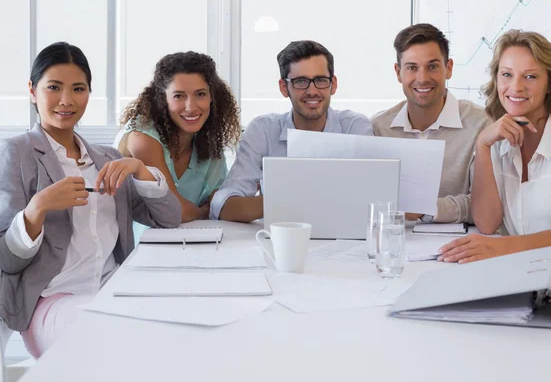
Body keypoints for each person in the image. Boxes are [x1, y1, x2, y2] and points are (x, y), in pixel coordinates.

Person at [0, 42, 181, 357]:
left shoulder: (107, 158)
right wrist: (37, 208)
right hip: (53, 302)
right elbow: (8, 260)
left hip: (114, 292)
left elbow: (168, 219)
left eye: (78, 88)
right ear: (32, 90)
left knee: (174, 331)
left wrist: (140, 169)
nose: (67, 100)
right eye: (54, 87)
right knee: (114, 342)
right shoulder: (17, 153)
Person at [438, 30, 551, 270]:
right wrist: (483, 145)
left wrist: (501, 248)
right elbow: (487, 223)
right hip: (529, 276)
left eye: (531, 76)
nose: (516, 87)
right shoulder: (498, 143)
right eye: (507, 74)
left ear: (549, 85)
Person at [210, 40, 373, 222]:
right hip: (281, 239)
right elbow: (224, 206)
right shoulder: (262, 130)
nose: (312, 91)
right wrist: (293, 199)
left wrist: (296, 198)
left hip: (344, 239)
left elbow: (374, 198)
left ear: (333, 84)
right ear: (283, 87)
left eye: (320, 80)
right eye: (300, 82)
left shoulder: (355, 127)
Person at [372, 23, 491, 223]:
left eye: (433, 66)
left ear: (449, 68)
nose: (423, 78)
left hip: (458, 245)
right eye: (412, 68)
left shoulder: (481, 124)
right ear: (398, 72)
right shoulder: (378, 127)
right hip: (395, 241)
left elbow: (485, 206)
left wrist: (424, 209)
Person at [115, 52, 241, 225]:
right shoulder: (141, 138)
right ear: (162, 99)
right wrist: (206, 210)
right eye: (179, 96)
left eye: (200, 94)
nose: (191, 107)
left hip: (194, 242)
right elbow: (176, 212)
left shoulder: (208, 141)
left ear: (213, 97)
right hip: (144, 248)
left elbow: (220, 199)